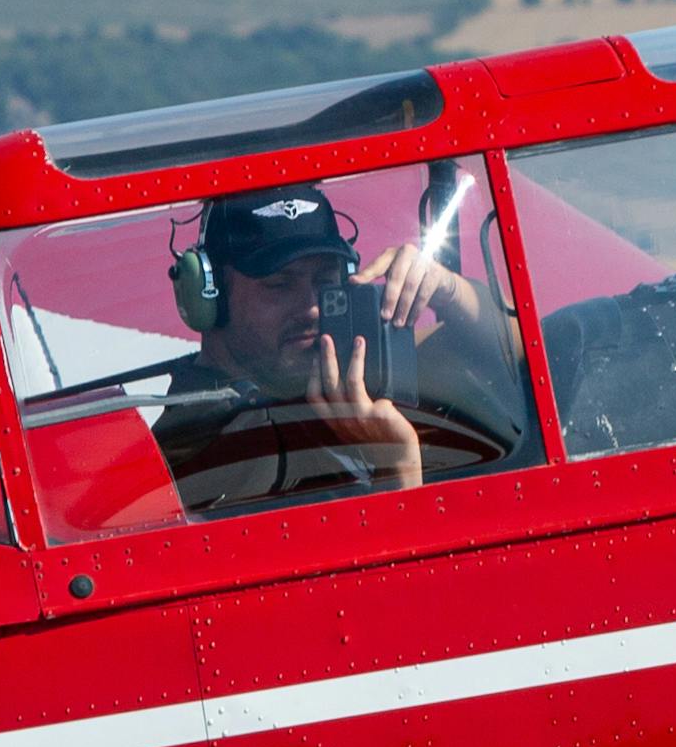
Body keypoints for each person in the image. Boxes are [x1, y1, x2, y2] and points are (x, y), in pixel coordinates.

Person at [157, 182, 499, 515]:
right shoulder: (210, 449)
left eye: (324, 280)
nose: (312, 308)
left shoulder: (331, 378)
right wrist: (397, 468)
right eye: (279, 285)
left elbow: (512, 353)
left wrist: (448, 289)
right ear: (208, 297)